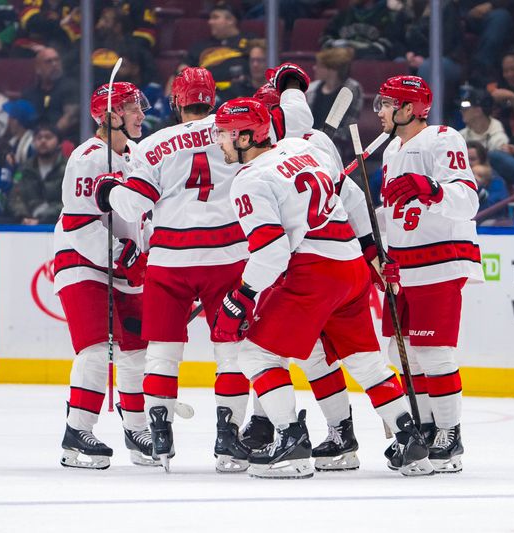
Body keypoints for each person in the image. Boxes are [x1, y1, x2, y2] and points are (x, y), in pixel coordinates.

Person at [212, 97, 433, 479]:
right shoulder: (305, 149)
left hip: (314, 272)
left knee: (256, 355)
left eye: (225, 134)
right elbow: (352, 197)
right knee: (365, 361)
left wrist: (242, 295)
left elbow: (271, 252)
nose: (219, 142)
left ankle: (291, 443)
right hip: (350, 267)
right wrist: (370, 250)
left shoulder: (249, 180)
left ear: (246, 136)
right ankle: (409, 439)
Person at [93, 67, 253, 473]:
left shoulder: (153, 144)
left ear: (176, 101)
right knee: (231, 352)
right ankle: (228, 440)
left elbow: (133, 207)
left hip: (170, 260)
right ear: (212, 97)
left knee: (163, 353)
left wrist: (111, 190)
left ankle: (160, 435)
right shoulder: (235, 130)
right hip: (227, 255)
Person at [375, 75, 484, 473]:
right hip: (405, 266)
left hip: (440, 260)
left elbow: (468, 200)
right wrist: (383, 251)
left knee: (434, 352)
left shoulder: (442, 138)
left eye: (387, 104)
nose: (381, 111)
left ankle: (450, 433)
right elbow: (394, 214)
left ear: (408, 109)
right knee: (403, 354)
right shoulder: (390, 151)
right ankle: (424, 427)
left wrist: (431, 187)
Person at [53, 81, 158, 470]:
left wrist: (151, 257)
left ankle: (136, 429)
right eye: (133, 109)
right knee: (96, 348)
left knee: (135, 349)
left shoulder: (136, 157)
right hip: (82, 261)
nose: (141, 115)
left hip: (124, 266)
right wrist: (125, 256)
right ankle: (77, 433)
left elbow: (142, 217)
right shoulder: (87, 159)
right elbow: (80, 224)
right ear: (111, 116)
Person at [182, 3, 255, 102]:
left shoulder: (250, 41)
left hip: (240, 94)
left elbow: (261, 65)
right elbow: (181, 70)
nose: (210, 22)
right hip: (205, 96)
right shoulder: (200, 46)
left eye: (215, 18)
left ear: (230, 20)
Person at [305, 47, 362, 162]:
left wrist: (319, 139)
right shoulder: (312, 88)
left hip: (335, 145)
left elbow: (347, 129)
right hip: (308, 142)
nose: (314, 68)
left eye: (319, 66)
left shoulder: (351, 89)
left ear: (332, 69)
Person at [8, 122, 66, 225]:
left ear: (59, 142)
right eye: (39, 138)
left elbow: (70, 203)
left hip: (58, 225)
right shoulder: (25, 169)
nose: (43, 141)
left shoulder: (68, 168)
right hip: (26, 225)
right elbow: (15, 196)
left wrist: (44, 217)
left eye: (48, 137)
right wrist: (23, 216)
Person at [319, 0, 409, 60]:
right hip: (340, 61)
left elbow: (387, 47)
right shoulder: (343, 14)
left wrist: (356, 53)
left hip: (371, 67)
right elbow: (325, 39)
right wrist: (340, 50)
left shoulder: (389, 16)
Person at [21, 46, 79, 140]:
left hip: (65, 141)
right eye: (48, 62)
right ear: (38, 68)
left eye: (57, 60)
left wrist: (50, 137)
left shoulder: (70, 87)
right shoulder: (29, 94)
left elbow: (70, 117)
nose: (54, 64)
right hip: (35, 141)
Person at [458, 86, 509, 153]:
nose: (461, 111)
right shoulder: (460, 137)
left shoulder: (499, 140)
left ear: (478, 111)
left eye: (465, 109)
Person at [467, 140, 507, 214]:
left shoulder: (494, 179)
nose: (468, 163)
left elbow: (495, 206)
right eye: (465, 159)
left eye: (472, 159)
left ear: (482, 161)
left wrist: (478, 190)